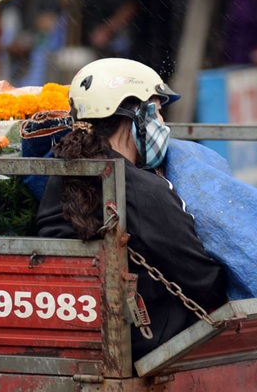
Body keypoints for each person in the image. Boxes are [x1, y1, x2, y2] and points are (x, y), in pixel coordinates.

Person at [36, 58, 227, 358]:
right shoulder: (142, 189)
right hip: (143, 343)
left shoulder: (60, 172)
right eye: (159, 111)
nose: (162, 125)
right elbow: (203, 279)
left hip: (72, 329)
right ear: (137, 115)